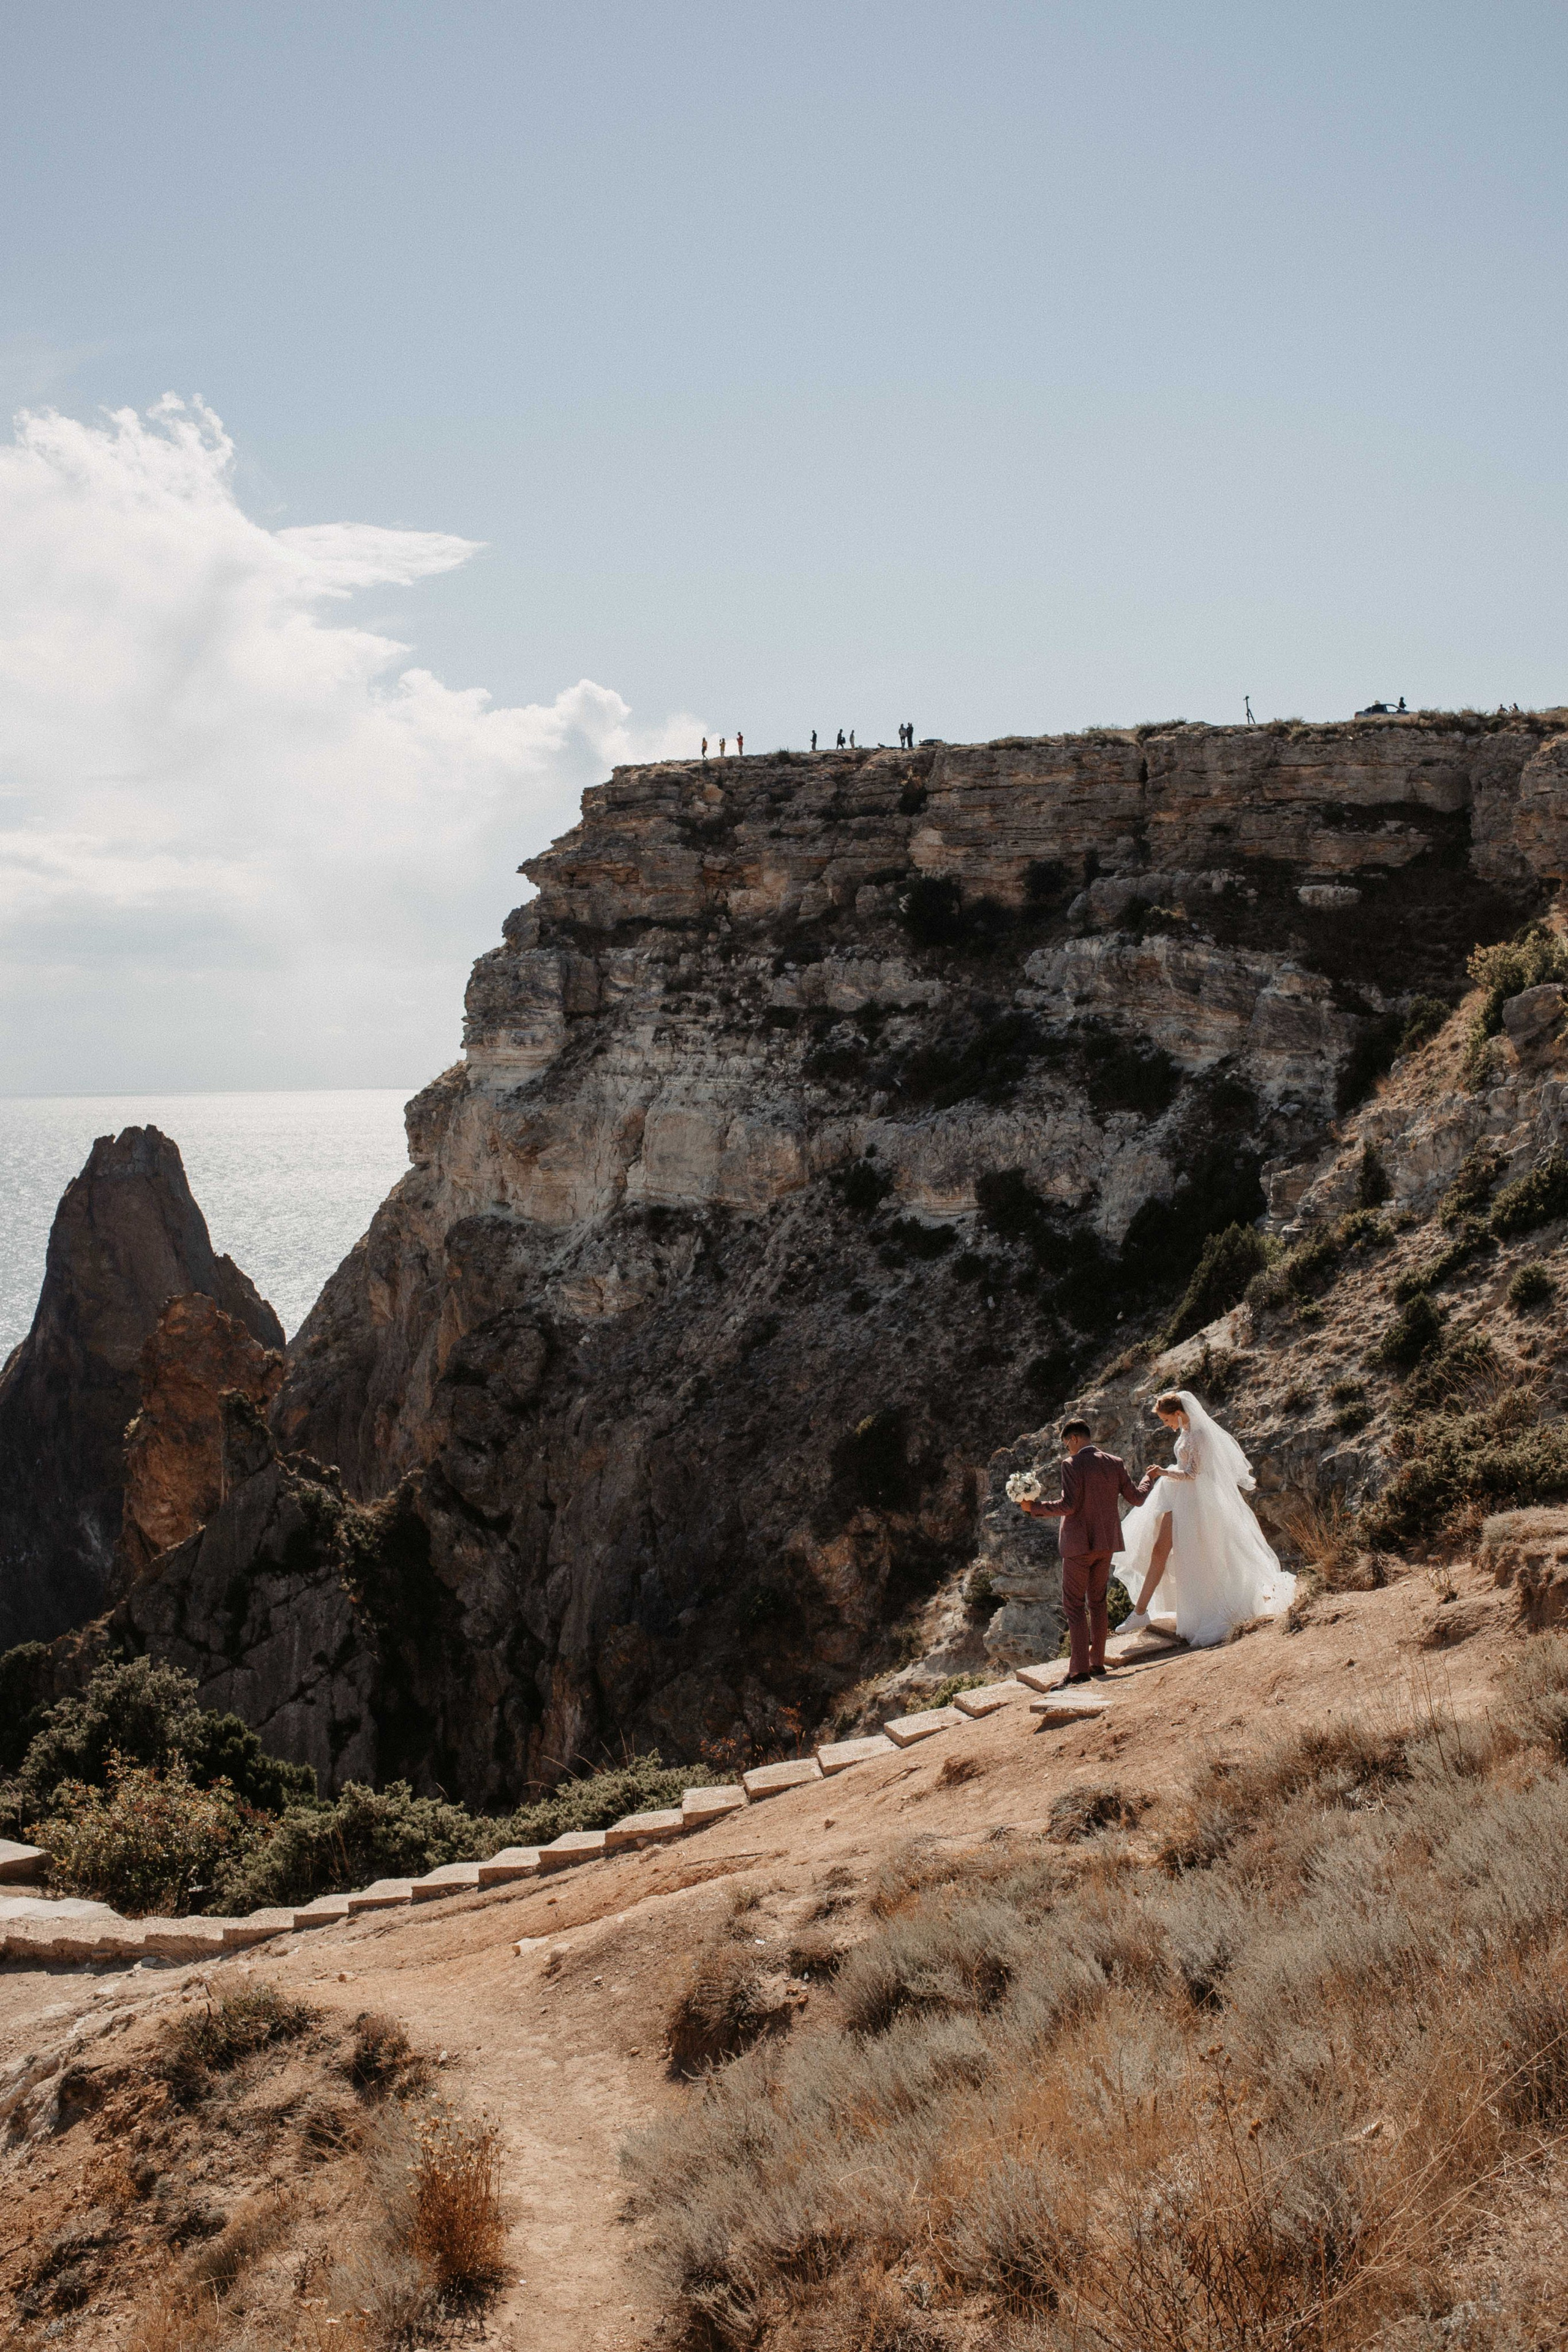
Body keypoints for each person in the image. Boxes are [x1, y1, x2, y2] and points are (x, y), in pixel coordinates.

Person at [1114, 1390, 1295, 1646]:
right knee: (1159, 1550)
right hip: (1179, 1499)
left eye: (1167, 1420)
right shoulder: (1186, 1432)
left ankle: (1205, 1609)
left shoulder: (1199, 1434)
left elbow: (1193, 1473)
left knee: (1201, 1556)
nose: (1166, 1426)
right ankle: (1140, 1613)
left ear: (1178, 1413)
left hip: (1196, 1503)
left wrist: (1162, 1472)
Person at [1016, 1419, 1151, 1684]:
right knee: (1098, 1603)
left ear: (1075, 1439)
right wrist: (1149, 1477)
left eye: (1067, 1444)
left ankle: (1079, 1671)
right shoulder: (1115, 1462)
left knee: (1074, 1606)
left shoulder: (1072, 1464)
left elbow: (1069, 1505)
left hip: (1078, 1546)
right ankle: (1097, 1663)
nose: (1067, 1449)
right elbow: (1137, 1498)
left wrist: (1035, 1508)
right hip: (1106, 1544)